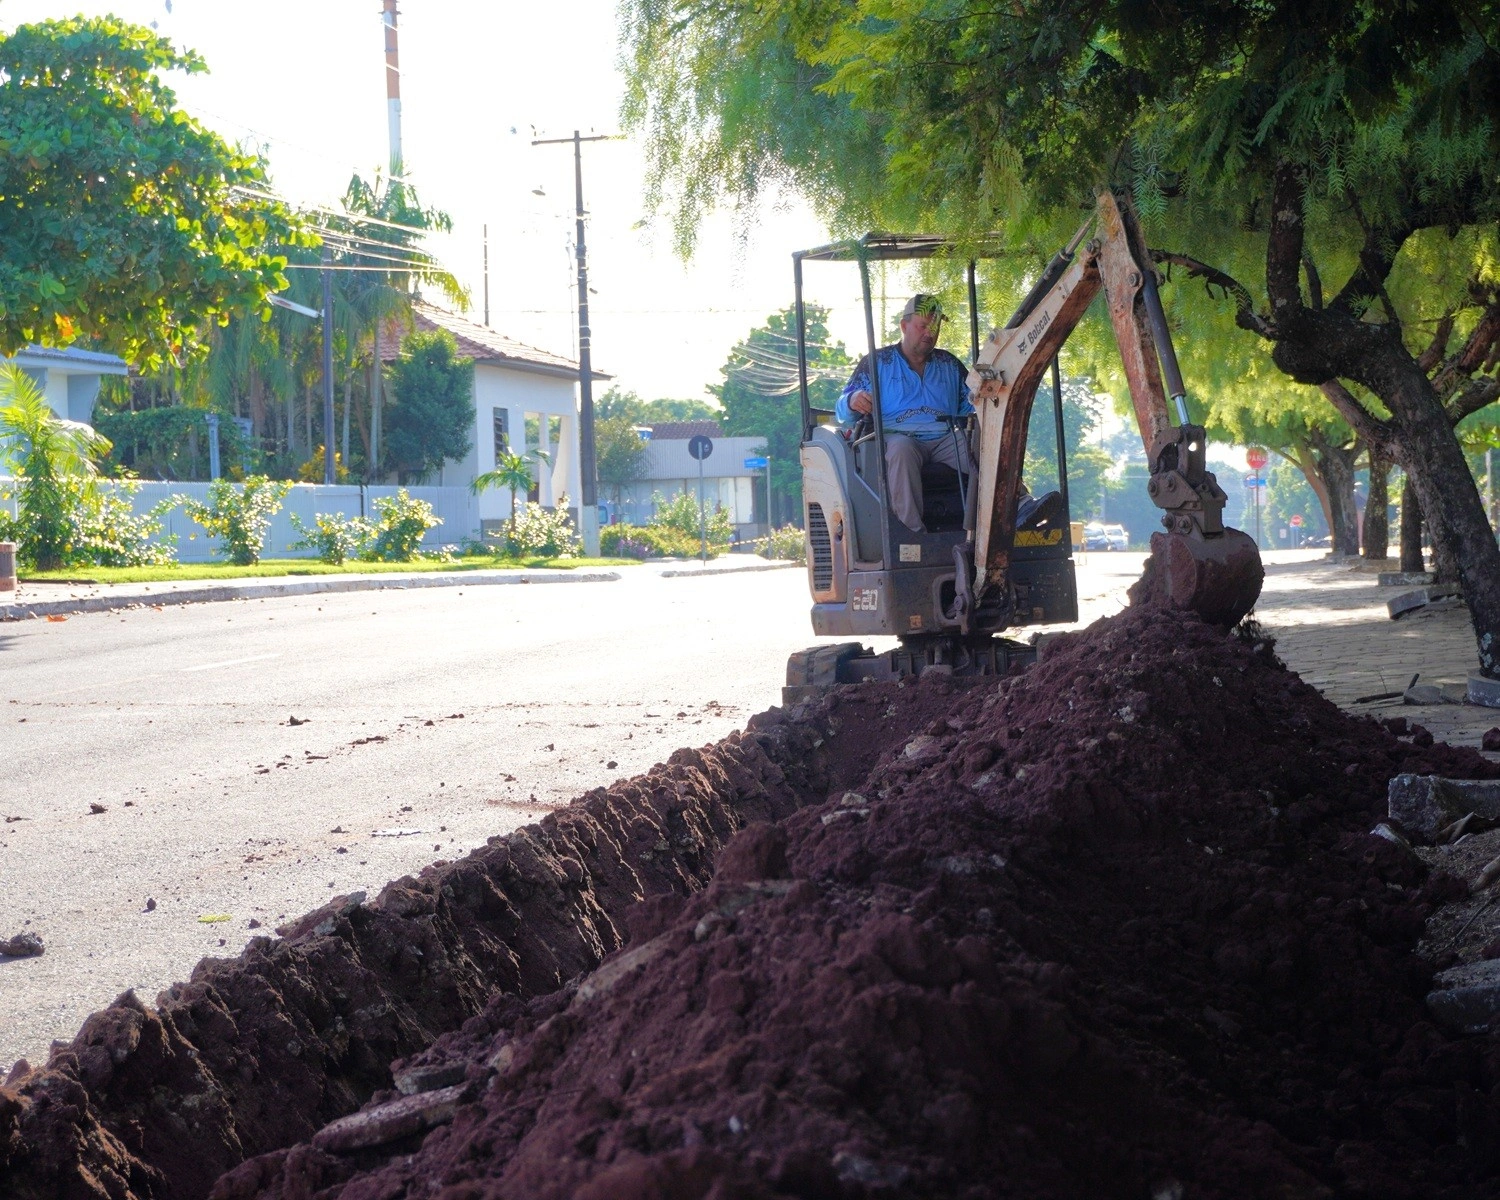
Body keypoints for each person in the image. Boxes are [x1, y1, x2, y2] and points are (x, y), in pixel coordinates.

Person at [835, 293, 974, 532]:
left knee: (982, 448)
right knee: (902, 448)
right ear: (904, 325)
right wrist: (852, 401)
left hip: (945, 439)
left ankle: (1018, 508)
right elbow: (843, 411)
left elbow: (973, 405)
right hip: (897, 438)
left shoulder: (949, 365)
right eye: (923, 326)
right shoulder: (878, 362)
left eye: (935, 326)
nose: (930, 333)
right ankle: (911, 534)